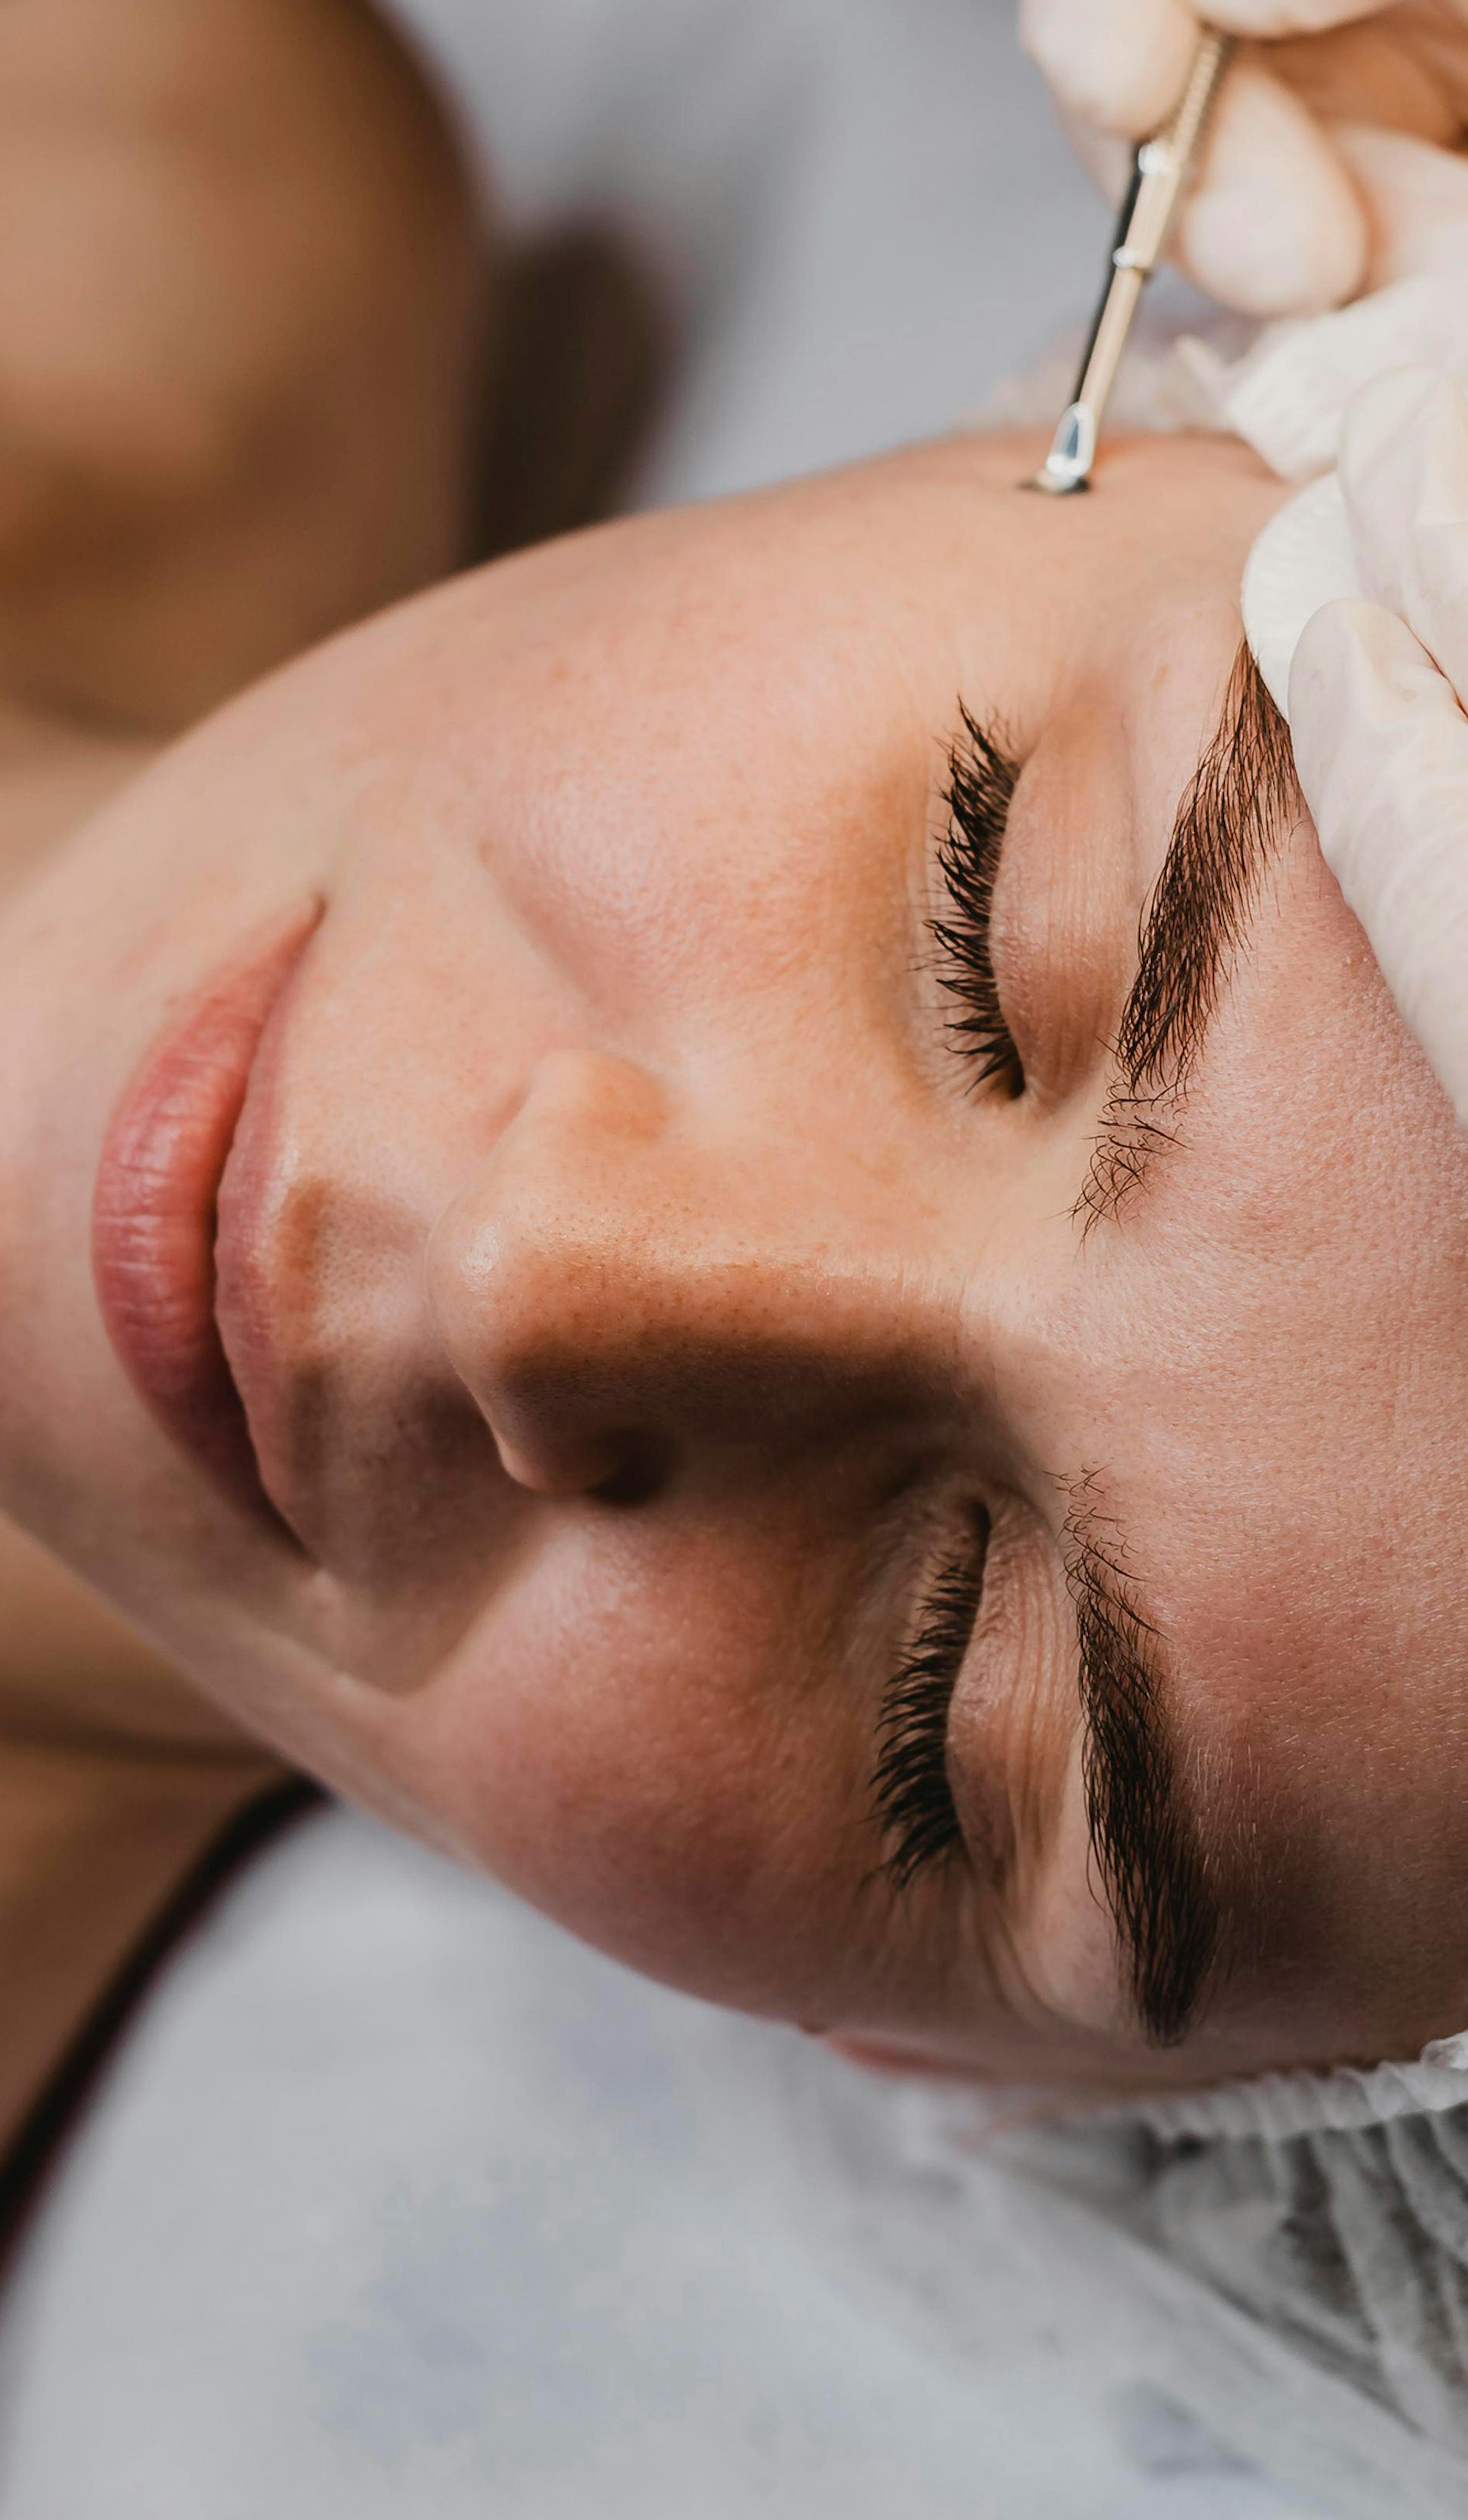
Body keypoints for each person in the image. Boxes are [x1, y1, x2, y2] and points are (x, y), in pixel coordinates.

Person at [6, 0, 1468, 2508]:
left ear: (954, 2074)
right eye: (974, 911)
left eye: (944, 1698)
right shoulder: (179, 147)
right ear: (1052, 423)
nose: (559, 1273)